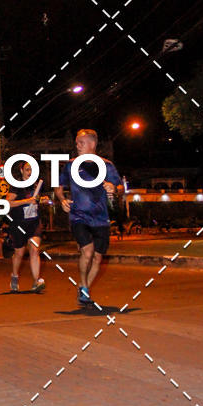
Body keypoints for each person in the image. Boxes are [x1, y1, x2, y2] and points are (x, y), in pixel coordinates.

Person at [55, 129, 122, 306]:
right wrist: (62, 199)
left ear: (92, 144)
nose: (77, 146)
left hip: (100, 218)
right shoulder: (70, 165)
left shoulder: (107, 165)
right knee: (87, 251)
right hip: (79, 216)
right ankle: (84, 285)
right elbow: (58, 187)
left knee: (98, 258)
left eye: (81, 143)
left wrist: (113, 188)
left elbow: (120, 187)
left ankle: (84, 289)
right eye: (77, 143)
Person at [5, 161, 45, 293]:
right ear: (22, 171)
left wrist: (42, 200)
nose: (30, 173)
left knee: (34, 249)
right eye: (27, 170)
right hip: (18, 223)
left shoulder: (36, 185)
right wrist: (27, 201)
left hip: (34, 222)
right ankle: (14, 276)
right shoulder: (16, 186)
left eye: (32, 170)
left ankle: (36, 281)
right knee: (19, 252)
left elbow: (36, 200)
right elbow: (8, 203)